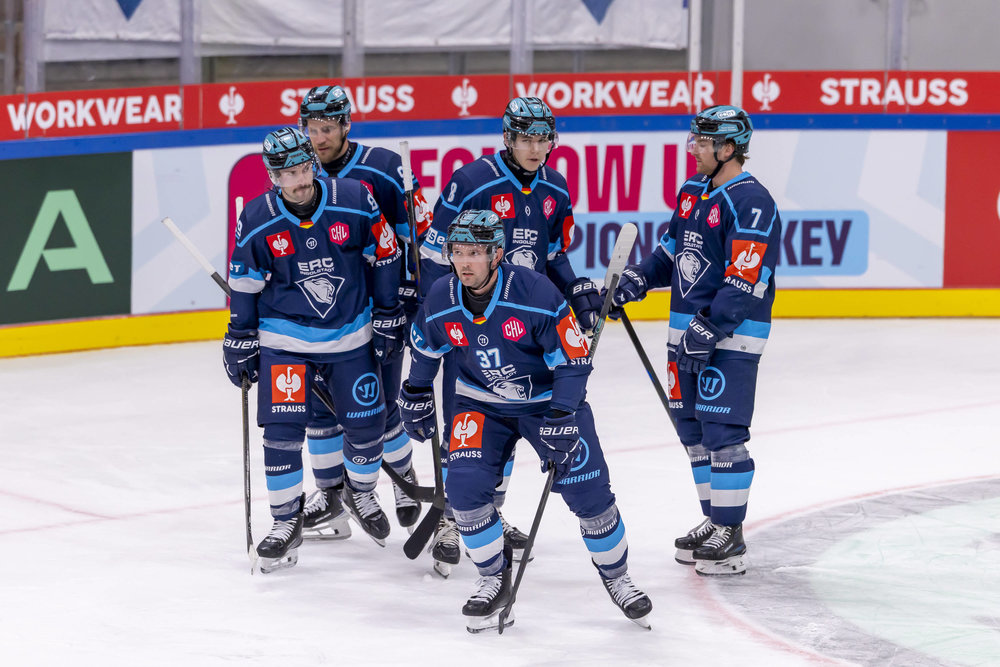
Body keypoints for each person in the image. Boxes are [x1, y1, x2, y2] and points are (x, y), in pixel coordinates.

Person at [399, 210, 652, 632]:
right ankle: (492, 578)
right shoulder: (442, 296)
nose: (464, 262)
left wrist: (563, 415)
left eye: (475, 253)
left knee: (589, 494)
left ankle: (618, 577)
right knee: (463, 488)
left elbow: (574, 360)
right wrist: (415, 391)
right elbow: (426, 344)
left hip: (545, 403)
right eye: (457, 252)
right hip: (479, 404)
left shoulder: (535, 292)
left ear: (497, 254)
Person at [416, 96, 604, 573]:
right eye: (527, 138)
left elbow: (554, 256)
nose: (536, 148)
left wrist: (578, 292)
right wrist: (432, 312)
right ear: (508, 137)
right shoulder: (472, 179)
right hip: (470, 318)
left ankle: (489, 517)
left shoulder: (556, 188)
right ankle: (453, 518)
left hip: (523, 328)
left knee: (507, 416)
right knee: (465, 421)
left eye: (544, 139)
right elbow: (439, 255)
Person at [607, 105, 781, 576]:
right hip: (684, 332)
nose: (695, 150)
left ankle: (732, 533)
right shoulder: (692, 193)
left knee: (723, 434)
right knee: (694, 433)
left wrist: (712, 326)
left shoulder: (752, 201)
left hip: (730, 338)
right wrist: (637, 280)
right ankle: (714, 517)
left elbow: (745, 277)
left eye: (703, 143)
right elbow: (671, 252)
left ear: (728, 149)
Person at [223, 127, 404, 570]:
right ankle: (285, 521)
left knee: (366, 425)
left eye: (305, 168)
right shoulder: (256, 217)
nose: (300, 180)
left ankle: (360, 493)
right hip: (285, 342)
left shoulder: (355, 198)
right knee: (282, 434)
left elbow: (384, 253)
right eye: (289, 173)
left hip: (349, 335)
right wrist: (239, 337)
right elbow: (245, 282)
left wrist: (387, 311)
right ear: (273, 176)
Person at [295, 84, 433, 539]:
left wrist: (414, 297)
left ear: (346, 125)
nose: (319, 139)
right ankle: (333, 499)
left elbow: (421, 236)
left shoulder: (385, 167)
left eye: (328, 129)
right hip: (326, 314)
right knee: (322, 407)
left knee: (378, 403)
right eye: (312, 129)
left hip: (382, 308)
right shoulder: (298, 172)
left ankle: (404, 481)